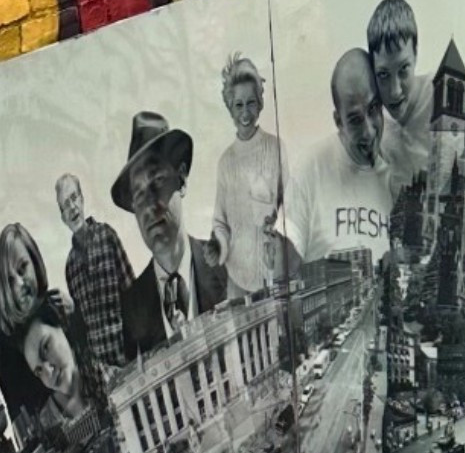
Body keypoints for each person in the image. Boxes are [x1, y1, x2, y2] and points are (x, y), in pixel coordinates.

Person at [112, 112, 228, 360]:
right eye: (139, 194)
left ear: (182, 179)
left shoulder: (227, 266)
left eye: (158, 180)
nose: (150, 204)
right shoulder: (131, 307)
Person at [281, 50, 395, 265]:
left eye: (373, 109)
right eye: (355, 119)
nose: (369, 131)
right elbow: (284, 272)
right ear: (338, 121)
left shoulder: (397, 179)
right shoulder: (311, 167)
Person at [209, 54, 286, 299]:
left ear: (260, 103)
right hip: (236, 281)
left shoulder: (275, 148)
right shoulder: (225, 162)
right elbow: (220, 223)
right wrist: (216, 246)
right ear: (230, 107)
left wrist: (277, 222)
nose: (245, 112)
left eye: (251, 103)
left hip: (271, 276)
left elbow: (290, 207)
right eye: (238, 105)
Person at [57, 175, 134, 372]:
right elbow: (83, 327)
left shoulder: (107, 236)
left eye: (74, 198)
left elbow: (134, 295)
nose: (73, 207)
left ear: (82, 200)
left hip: (130, 358)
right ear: (63, 217)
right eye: (66, 204)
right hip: (104, 375)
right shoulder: (70, 267)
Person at [0, 222, 65, 428]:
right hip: (36, 425)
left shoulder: (55, 306)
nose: (18, 284)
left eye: (22, 268)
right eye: (9, 281)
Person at [21, 300, 110, 451]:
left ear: (63, 328)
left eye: (46, 347)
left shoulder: (102, 375)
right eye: (39, 370)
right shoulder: (47, 420)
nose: (49, 372)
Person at [367, 0, 433, 193]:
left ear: (416, 55)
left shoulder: (444, 94)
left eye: (403, 69)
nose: (394, 91)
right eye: (383, 75)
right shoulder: (373, 125)